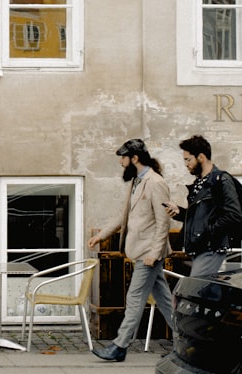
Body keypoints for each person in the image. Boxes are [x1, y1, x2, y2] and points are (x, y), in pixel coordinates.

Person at [87, 138, 174, 363]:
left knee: (134, 297)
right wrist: (101, 235)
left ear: (134, 158)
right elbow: (122, 216)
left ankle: (119, 346)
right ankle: (187, 342)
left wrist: (155, 253)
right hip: (141, 252)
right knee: (164, 299)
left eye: (123, 158)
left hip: (148, 254)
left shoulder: (155, 183)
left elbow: (163, 222)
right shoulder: (137, 182)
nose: (121, 163)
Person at [163, 134, 242, 277]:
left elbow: (234, 215)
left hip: (211, 248)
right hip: (198, 248)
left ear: (201, 157)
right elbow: (200, 217)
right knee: (197, 291)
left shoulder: (221, 180)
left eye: (188, 159)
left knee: (195, 291)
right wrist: (180, 212)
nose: (186, 164)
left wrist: (207, 231)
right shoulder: (199, 183)